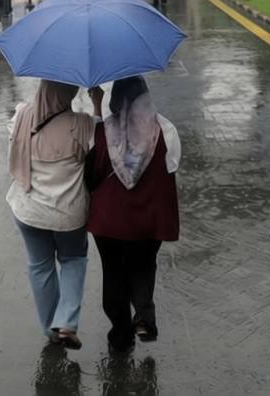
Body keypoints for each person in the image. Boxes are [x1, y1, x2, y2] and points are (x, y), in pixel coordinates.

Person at [84, 75, 180, 353]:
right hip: (150, 217)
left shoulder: (105, 132)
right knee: (144, 264)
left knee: (113, 274)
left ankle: (121, 337)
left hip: (109, 220)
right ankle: (144, 317)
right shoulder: (165, 130)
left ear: (116, 100)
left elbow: (91, 173)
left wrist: (96, 106)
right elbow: (173, 164)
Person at [7, 80, 105, 349]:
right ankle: (66, 323)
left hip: (29, 211)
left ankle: (50, 330)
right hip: (69, 214)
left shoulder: (21, 115)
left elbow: (12, 142)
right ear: (71, 91)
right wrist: (97, 104)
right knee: (73, 259)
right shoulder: (84, 124)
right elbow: (100, 147)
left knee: (40, 266)